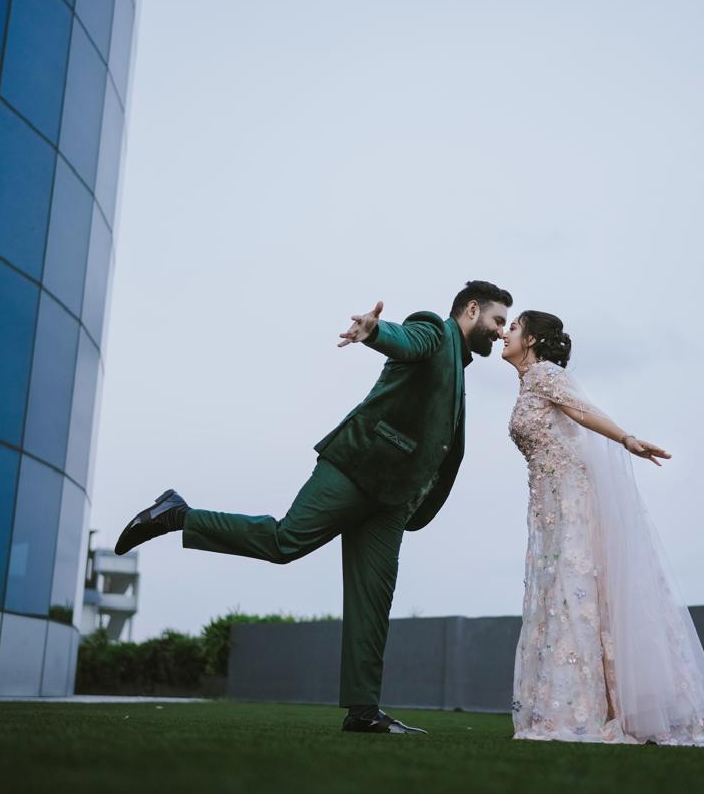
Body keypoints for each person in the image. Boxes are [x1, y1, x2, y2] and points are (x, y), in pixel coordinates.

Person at [113, 281, 513, 734]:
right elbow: (406, 339)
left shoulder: (459, 369)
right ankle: (175, 515)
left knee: (372, 602)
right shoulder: (435, 333)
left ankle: (363, 711)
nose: (501, 331)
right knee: (285, 542)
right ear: (472, 310)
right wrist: (376, 331)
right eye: (497, 320)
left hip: (391, 502)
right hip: (355, 469)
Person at [501, 310, 704, 745]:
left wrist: (625, 438)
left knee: (576, 591)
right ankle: (580, 704)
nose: (504, 333)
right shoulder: (527, 383)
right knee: (562, 593)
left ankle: (585, 712)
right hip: (547, 505)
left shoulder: (544, 374)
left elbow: (583, 412)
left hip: (571, 500)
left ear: (531, 340)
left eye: (513, 327)